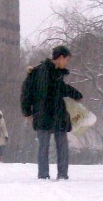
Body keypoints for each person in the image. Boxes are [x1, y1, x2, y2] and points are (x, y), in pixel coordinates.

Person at [20, 45, 83, 179]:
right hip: (51, 114)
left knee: (46, 146)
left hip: (46, 114)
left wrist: (27, 111)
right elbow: (31, 91)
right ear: (60, 58)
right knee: (58, 146)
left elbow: (27, 92)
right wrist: (27, 111)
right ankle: (58, 174)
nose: (67, 63)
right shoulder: (45, 73)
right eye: (66, 60)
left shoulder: (42, 72)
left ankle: (47, 175)